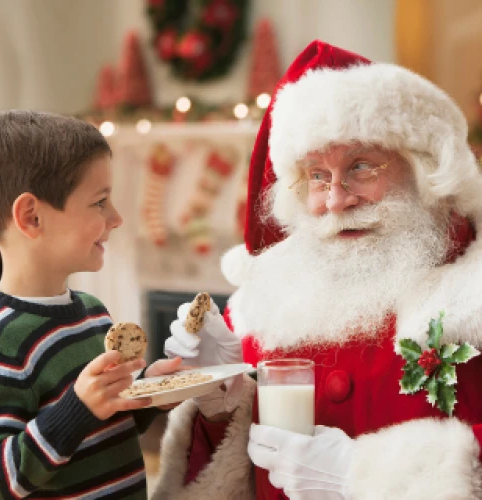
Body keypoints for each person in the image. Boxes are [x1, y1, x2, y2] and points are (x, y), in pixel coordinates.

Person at [151, 40, 482, 499]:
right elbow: (225, 470)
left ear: (427, 169)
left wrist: (366, 474)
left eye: (362, 166)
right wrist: (219, 405)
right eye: (317, 176)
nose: (335, 200)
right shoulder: (260, 302)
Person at [0, 110, 183, 499]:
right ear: (32, 216)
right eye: (100, 202)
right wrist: (78, 407)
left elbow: (103, 426)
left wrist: (148, 394)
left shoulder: (92, 312)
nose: (117, 218)